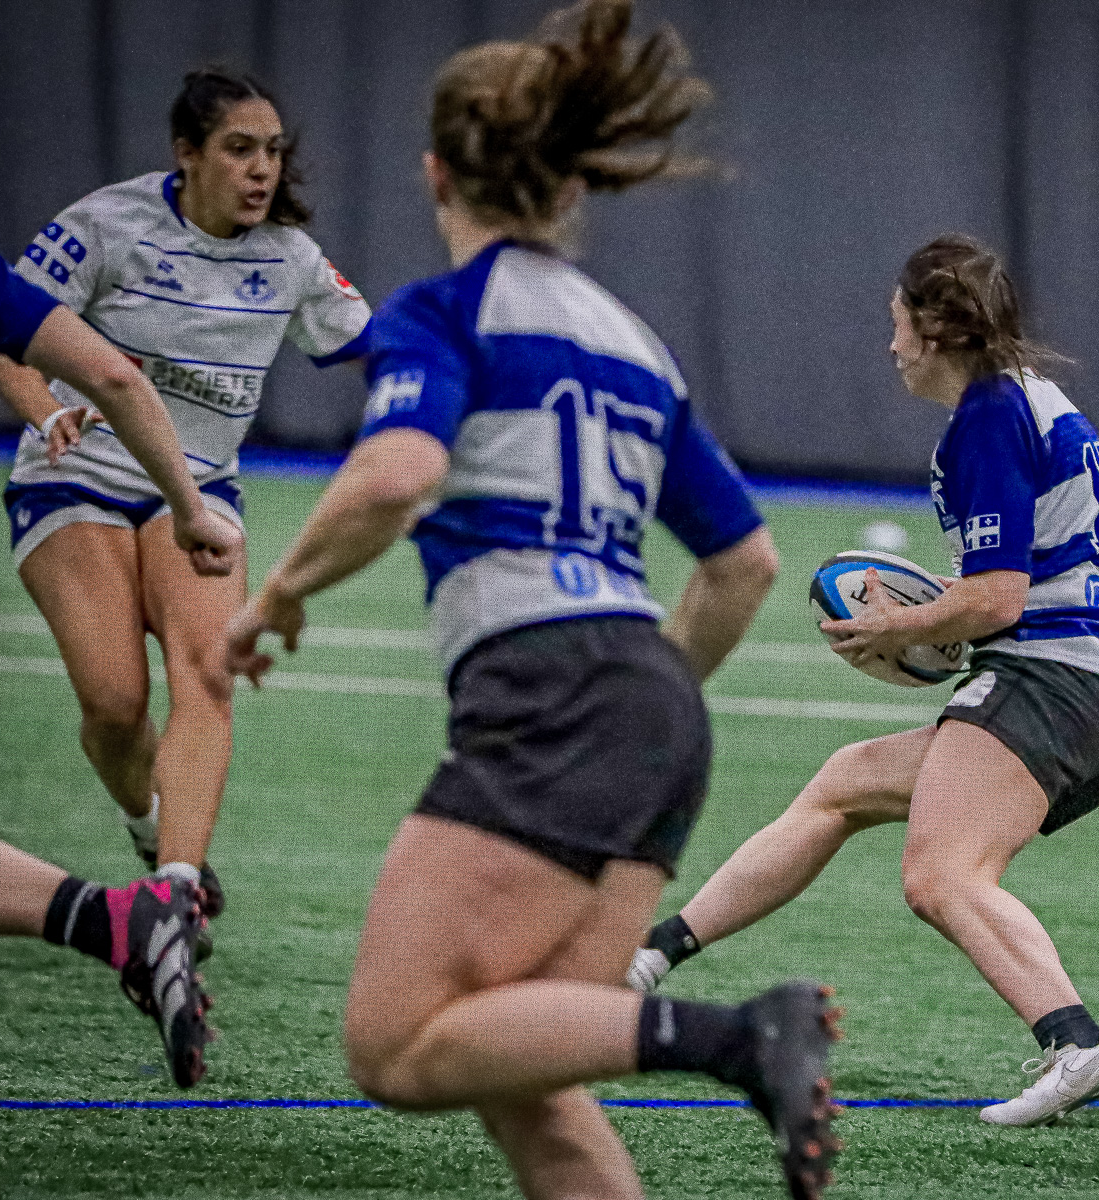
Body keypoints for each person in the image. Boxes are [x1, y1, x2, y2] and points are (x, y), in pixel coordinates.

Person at [219, 5, 839, 1196]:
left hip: (550, 689)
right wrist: (640, 692)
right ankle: (730, 1041)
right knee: (523, 1065)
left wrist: (278, 592)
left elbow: (399, 474)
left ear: (435, 172)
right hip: (654, 706)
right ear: (567, 185)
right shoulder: (635, 342)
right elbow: (743, 562)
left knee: (394, 1045)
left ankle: (736, 1037)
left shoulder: (447, 313)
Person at [630, 233, 1099, 1128]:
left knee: (942, 875)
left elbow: (997, 597)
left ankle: (1076, 1041)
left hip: (1049, 684)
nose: (890, 343)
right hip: (1077, 688)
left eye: (898, 322)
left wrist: (894, 627)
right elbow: (1010, 586)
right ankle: (650, 957)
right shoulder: (1021, 401)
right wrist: (927, 626)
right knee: (842, 786)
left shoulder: (987, 418)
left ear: (937, 327)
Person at [0, 67, 372, 918]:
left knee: (207, 676)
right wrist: (46, 411)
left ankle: (176, 894)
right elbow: (1, 336)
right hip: (75, 479)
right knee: (117, 706)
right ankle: (149, 828)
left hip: (198, 495)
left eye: (272, 151)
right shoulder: (109, 223)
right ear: (187, 155)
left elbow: (377, 349)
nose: (261, 169)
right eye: (239, 150)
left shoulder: (292, 260)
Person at [0, 210, 241, 1086]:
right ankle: (125, 907)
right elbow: (116, 377)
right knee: (116, 702)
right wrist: (192, 506)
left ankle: (116, 919)